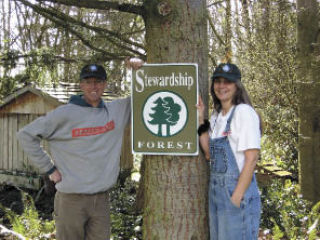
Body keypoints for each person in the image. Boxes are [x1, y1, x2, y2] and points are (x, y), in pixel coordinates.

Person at [17, 62, 141, 240]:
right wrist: (49, 169)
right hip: (71, 200)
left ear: (105, 84)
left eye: (98, 82)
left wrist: (138, 72)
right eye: (88, 82)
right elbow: (26, 135)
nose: (93, 86)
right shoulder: (64, 114)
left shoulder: (116, 111)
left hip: (101, 201)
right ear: (81, 85)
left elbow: (142, 98)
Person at [197, 63, 261, 240]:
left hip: (235, 192)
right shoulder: (217, 116)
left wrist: (236, 198)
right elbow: (209, 153)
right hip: (216, 193)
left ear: (237, 86)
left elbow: (252, 158)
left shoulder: (244, 113)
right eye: (217, 81)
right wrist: (200, 118)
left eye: (228, 82)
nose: (221, 86)